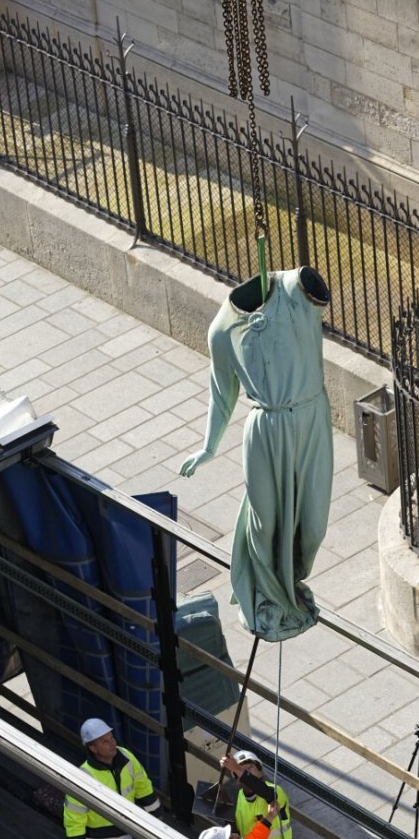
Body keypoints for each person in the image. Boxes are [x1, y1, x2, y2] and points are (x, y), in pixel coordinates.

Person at [180, 267, 333, 642]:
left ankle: (289, 584)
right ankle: (267, 598)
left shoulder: (297, 287)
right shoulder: (221, 331)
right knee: (264, 524)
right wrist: (208, 446)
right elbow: (221, 393)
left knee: (312, 527)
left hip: (312, 420)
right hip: (265, 429)